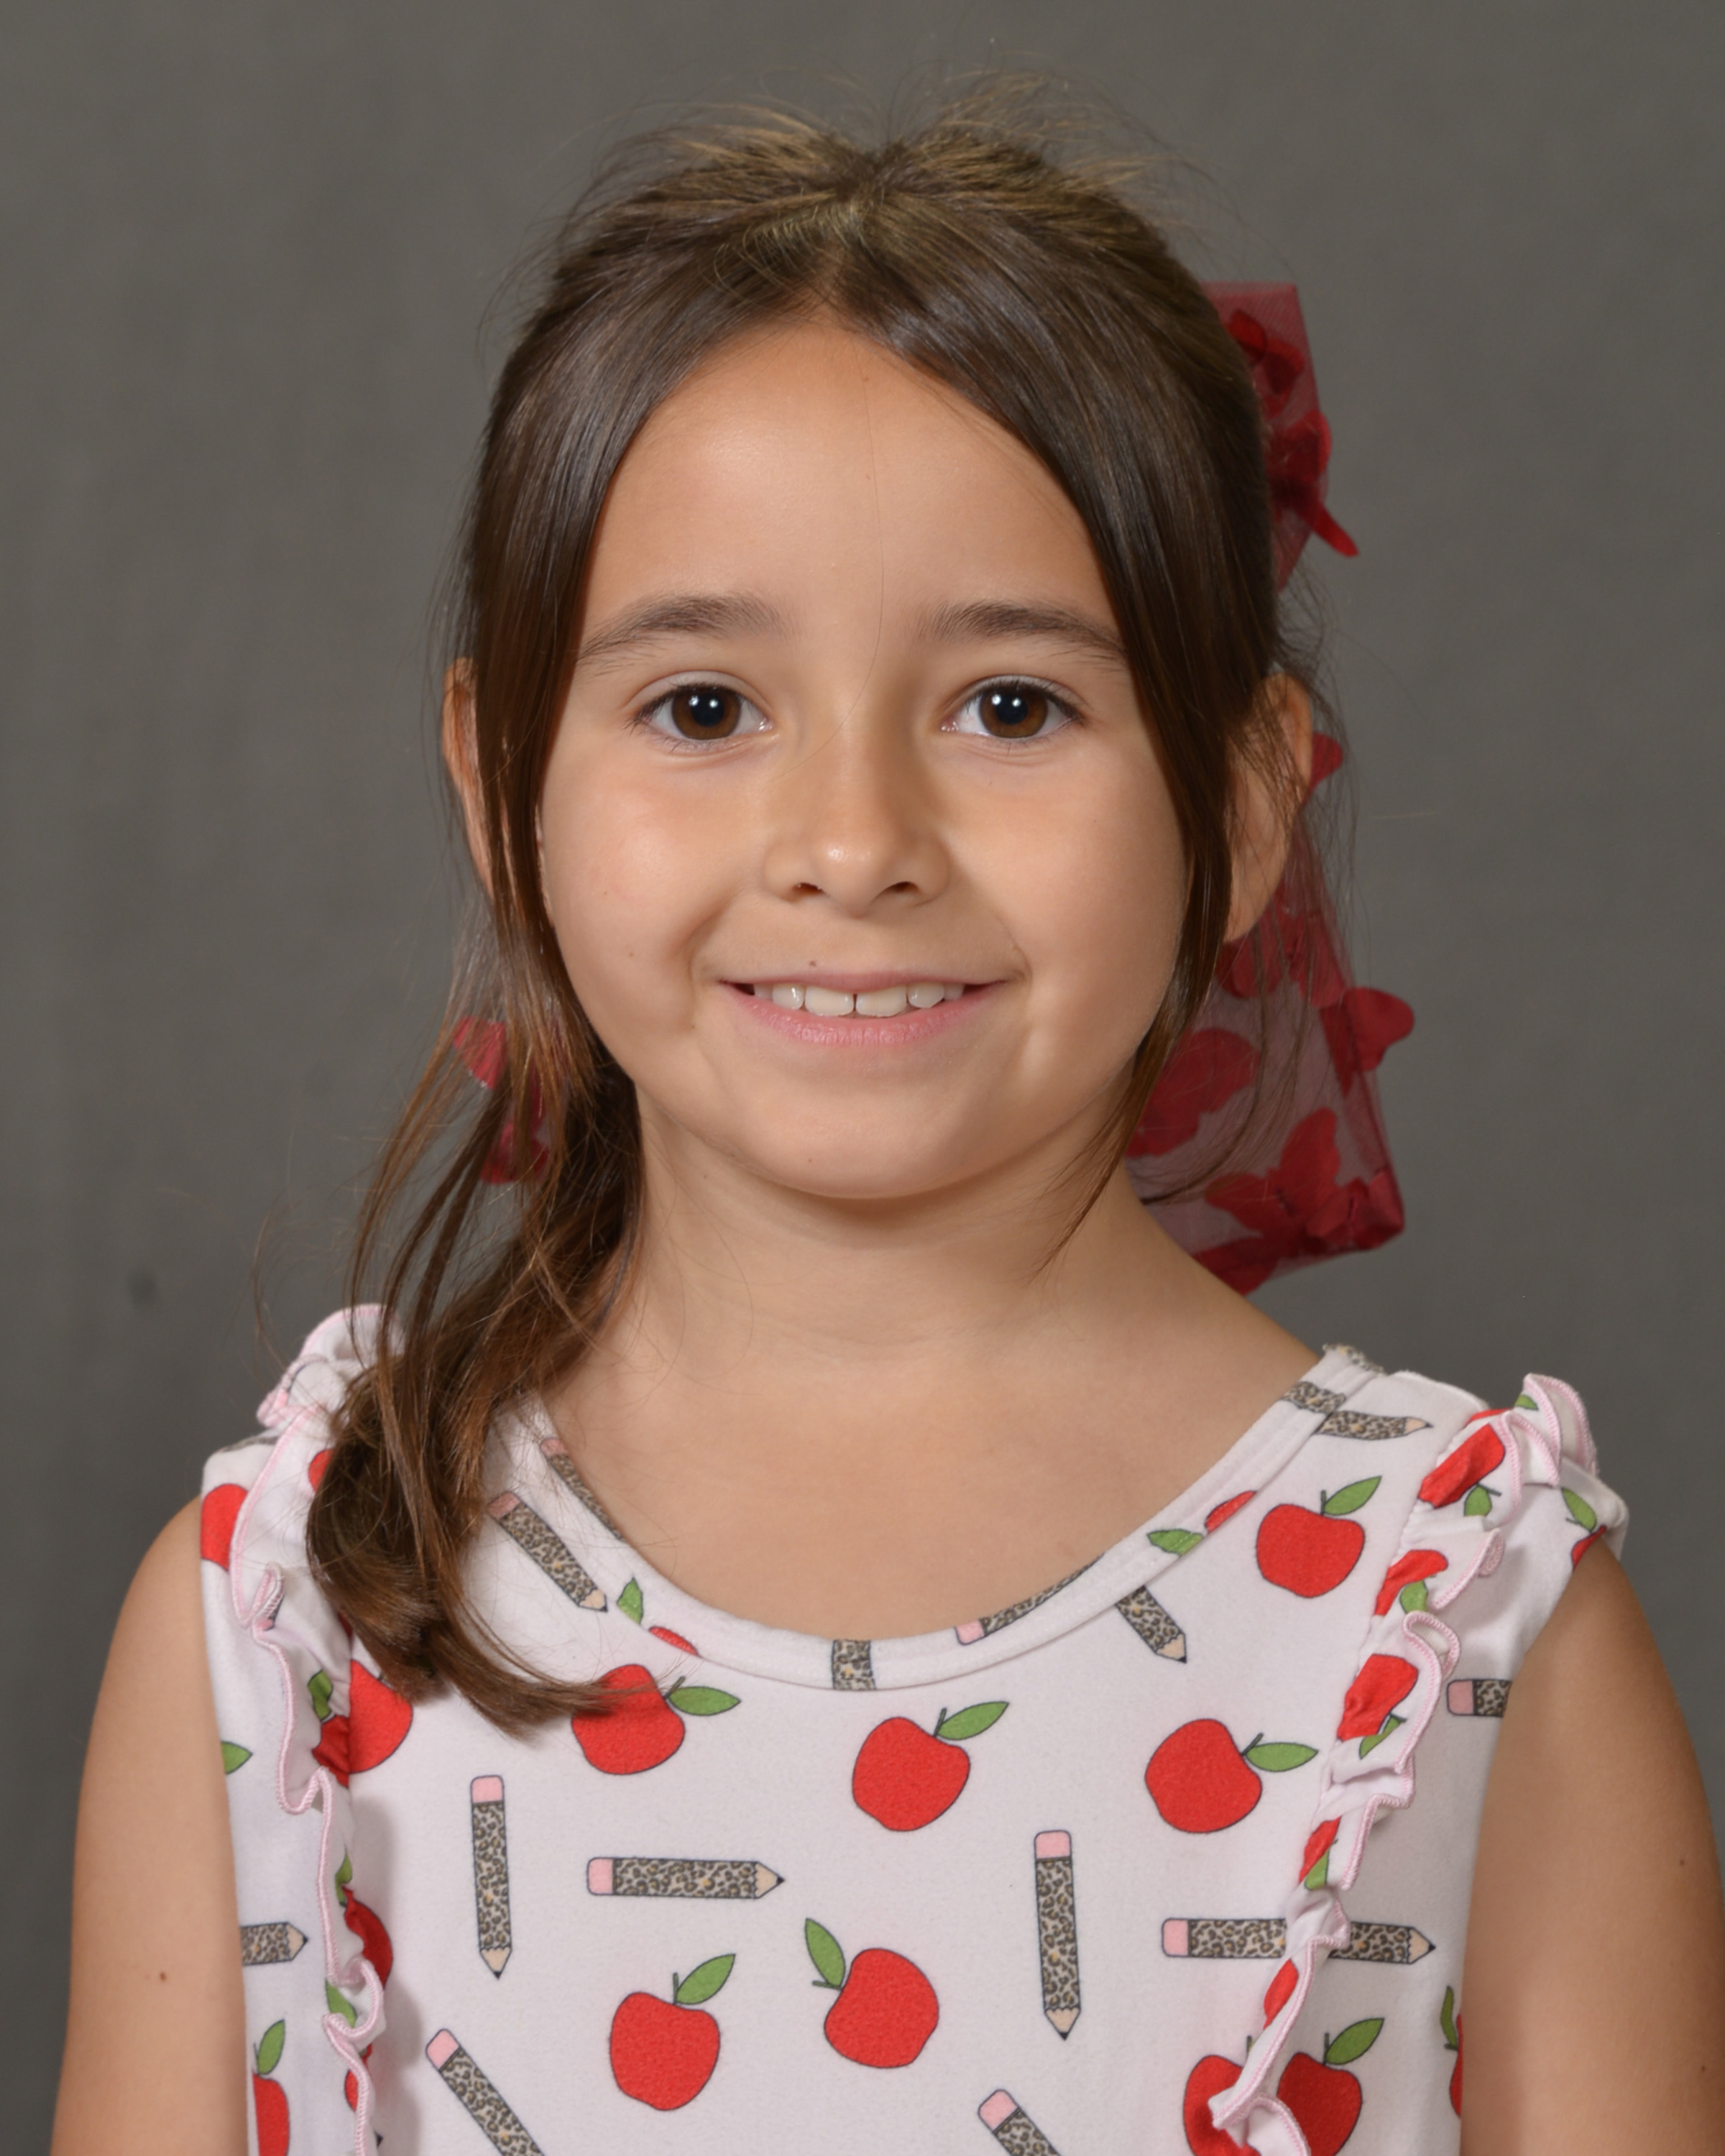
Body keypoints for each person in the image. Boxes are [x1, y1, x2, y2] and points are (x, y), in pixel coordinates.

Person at [53, 101, 1725, 2156]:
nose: (853, 845)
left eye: (1013, 707)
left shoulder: (1467, 1623)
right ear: (506, 790)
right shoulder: (277, 1625)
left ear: (1243, 802)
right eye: (703, 708)